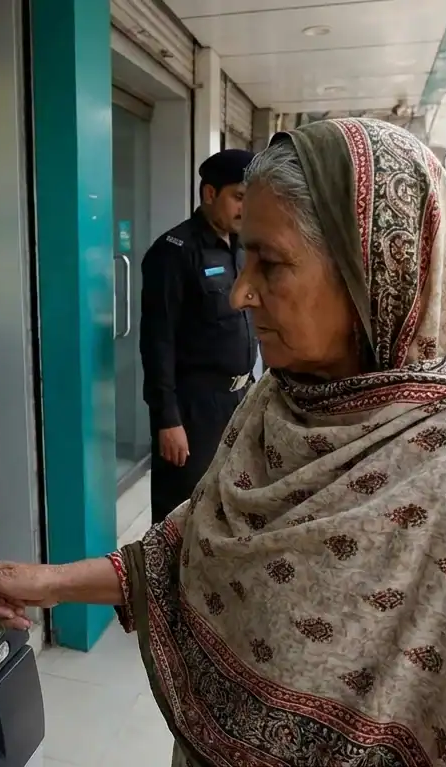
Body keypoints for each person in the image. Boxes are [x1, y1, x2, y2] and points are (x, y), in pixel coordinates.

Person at [0, 118, 446, 767]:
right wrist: (50, 582)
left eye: (271, 263)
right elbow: (192, 551)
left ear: (375, 271)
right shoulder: (283, 402)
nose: (241, 292)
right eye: (244, 257)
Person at [140, 148, 259, 523]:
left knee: (231, 504)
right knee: (183, 512)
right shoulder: (175, 252)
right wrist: (167, 420)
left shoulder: (242, 248)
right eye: (239, 197)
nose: (246, 208)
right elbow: (157, 341)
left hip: (239, 398)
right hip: (194, 410)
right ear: (210, 194)